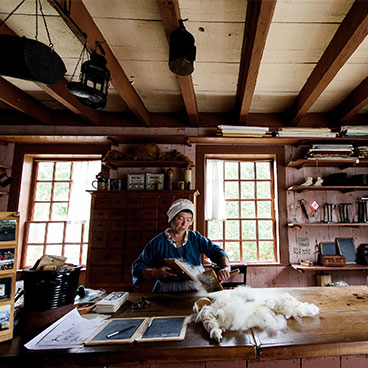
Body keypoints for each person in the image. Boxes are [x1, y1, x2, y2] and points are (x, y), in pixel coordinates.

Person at [131, 198, 231, 292]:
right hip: (167, 291)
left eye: (188, 220)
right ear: (172, 218)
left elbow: (217, 251)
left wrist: (226, 267)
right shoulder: (158, 242)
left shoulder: (195, 238)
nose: (184, 224)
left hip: (195, 288)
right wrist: (155, 272)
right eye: (180, 218)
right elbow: (137, 266)